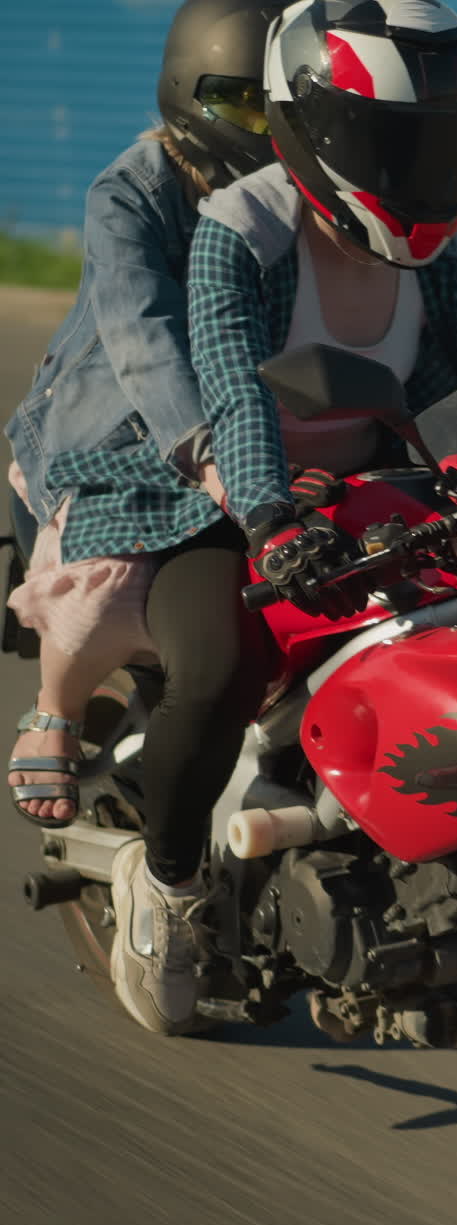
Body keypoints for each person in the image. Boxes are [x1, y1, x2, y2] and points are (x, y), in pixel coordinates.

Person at [20, 0, 457, 1037]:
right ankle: (166, 887)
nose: (416, 166)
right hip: (182, 472)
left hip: (367, 483)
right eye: (388, 140)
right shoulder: (219, 223)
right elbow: (201, 373)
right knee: (215, 667)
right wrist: (256, 505)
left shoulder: (445, 247)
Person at [5, 0, 280, 829]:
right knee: (115, 574)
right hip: (117, 424)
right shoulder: (132, 188)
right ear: (189, 93)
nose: (265, 126)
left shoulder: (294, 195)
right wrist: (206, 453)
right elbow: (142, 336)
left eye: (280, 105)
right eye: (243, 103)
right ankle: (52, 710)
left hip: (250, 412)